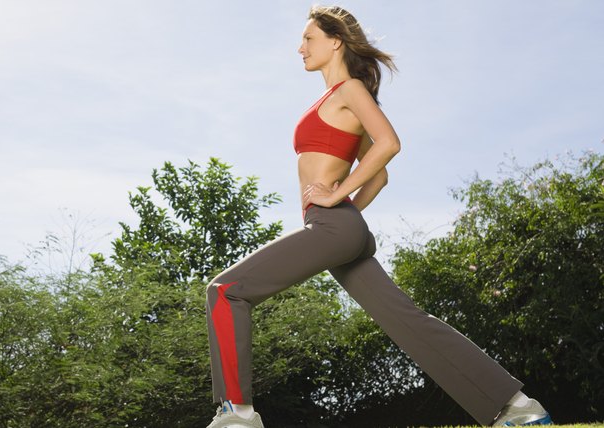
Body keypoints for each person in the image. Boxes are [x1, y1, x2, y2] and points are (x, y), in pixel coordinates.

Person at [205, 5, 552, 428]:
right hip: (337, 226)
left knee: (225, 291)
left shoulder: (351, 89)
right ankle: (517, 408)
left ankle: (236, 416)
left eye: (308, 39)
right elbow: (380, 174)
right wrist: (344, 210)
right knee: (407, 321)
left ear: (335, 42)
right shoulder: (333, 98)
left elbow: (388, 144)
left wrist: (336, 199)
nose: (300, 48)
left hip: (334, 224)